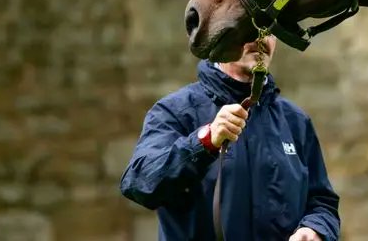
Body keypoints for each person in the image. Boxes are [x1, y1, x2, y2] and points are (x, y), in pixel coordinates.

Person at [120, 34, 340, 241]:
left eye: (270, 30)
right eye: (249, 26)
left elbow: (322, 202)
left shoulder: (295, 120)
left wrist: (314, 229)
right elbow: (139, 183)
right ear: (221, 33)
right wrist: (204, 141)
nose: (260, 37)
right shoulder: (175, 111)